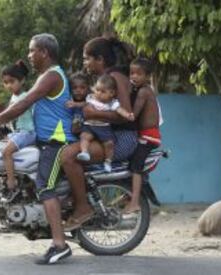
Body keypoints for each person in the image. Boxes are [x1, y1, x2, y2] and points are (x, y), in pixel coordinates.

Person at [0, 33, 75, 265]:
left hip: (57, 141)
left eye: (32, 50)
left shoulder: (52, 76)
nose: (29, 55)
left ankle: (60, 245)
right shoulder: (46, 76)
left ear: (44, 52)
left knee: (45, 186)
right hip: (45, 140)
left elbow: (25, 103)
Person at [61, 37, 138, 231]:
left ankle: (83, 208)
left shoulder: (116, 78)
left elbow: (127, 115)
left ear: (100, 59)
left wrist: (94, 113)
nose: (85, 63)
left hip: (121, 139)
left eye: (87, 58)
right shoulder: (102, 81)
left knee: (69, 156)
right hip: (106, 134)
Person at [124, 57, 161, 215]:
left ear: (147, 76)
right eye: (131, 73)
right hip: (146, 135)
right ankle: (130, 195)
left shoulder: (144, 91)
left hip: (149, 136)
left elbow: (134, 113)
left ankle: (134, 203)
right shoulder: (142, 90)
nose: (134, 76)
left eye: (138, 74)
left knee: (136, 168)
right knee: (131, 164)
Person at [76, 74, 133, 172]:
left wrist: (127, 115)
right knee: (84, 137)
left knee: (109, 144)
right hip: (89, 125)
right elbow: (84, 104)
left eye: (103, 91)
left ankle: (108, 161)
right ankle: (84, 152)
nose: (98, 93)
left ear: (111, 93)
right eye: (97, 90)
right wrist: (75, 104)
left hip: (103, 127)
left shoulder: (112, 103)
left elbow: (119, 110)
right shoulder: (91, 97)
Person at [0, 60, 36, 201]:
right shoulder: (15, 96)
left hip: (28, 132)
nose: (8, 85)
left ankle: (11, 181)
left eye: (12, 81)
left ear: (22, 80)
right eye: (5, 82)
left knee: (5, 152)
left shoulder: (24, 97)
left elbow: (9, 114)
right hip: (19, 131)